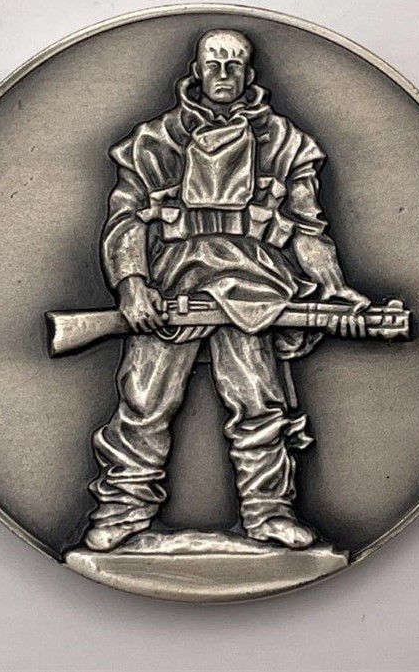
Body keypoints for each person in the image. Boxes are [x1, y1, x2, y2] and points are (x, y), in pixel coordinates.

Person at [84, 29, 370, 552]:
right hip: (170, 287)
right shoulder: (154, 140)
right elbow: (125, 220)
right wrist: (132, 285)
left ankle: (268, 513)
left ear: (248, 72)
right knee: (145, 401)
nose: (222, 74)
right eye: (213, 64)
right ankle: (123, 510)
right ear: (197, 70)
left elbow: (308, 229)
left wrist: (334, 288)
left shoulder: (284, 142)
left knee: (259, 402)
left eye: (233, 65)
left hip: (254, 289)